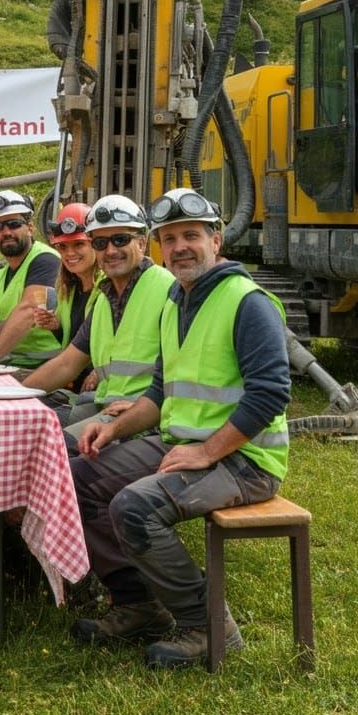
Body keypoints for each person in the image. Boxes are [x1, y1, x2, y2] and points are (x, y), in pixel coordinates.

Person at [70, 189, 291, 669]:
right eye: (170, 239)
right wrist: (114, 429)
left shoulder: (246, 301)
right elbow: (159, 393)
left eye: (192, 236)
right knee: (77, 476)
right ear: (160, 246)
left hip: (245, 460)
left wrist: (208, 450)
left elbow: (271, 393)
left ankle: (208, 626)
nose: (180, 248)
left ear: (216, 240)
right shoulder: (177, 299)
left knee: (135, 505)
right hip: (186, 445)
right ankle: (136, 605)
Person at [21, 194, 174, 440]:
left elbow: (190, 366)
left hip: (146, 416)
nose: (110, 250)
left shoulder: (168, 289)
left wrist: (153, 406)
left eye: (120, 240)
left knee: (54, 447)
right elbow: (67, 364)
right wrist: (13, 395)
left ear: (142, 243)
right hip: (107, 405)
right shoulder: (105, 298)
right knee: (27, 427)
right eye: (100, 243)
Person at [0, 190, 61, 370]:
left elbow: (28, 310)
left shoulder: (46, 260)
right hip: (8, 366)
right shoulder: (0, 275)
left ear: (30, 227)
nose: (5, 232)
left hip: (42, 367)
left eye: (14, 224)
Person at [32, 202, 99, 398]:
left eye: (79, 244)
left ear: (95, 243)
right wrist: (57, 327)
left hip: (97, 388)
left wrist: (102, 371)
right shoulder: (69, 289)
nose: (70, 253)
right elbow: (75, 340)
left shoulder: (108, 288)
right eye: (62, 247)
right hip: (72, 383)